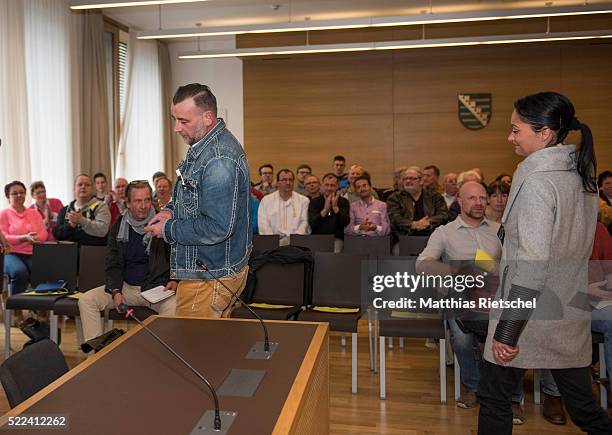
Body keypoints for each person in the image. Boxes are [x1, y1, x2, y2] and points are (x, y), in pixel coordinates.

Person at [477, 91, 612, 434]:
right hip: (567, 311)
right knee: (584, 408)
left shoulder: (538, 182)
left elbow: (532, 264)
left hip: (528, 315)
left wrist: (507, 331)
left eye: (515, 129)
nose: (510, 137)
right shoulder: (580, 176)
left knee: (494, 402)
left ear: (546, 132)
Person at [145, 83, 251, 318]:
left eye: (184, 121)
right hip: (210, 270)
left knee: (191, 350)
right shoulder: (203, 145)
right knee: (208, 349)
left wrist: (168, 229)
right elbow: (191, 198)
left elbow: (218, 227)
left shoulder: (218, 159)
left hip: (209, 276)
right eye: (175, 119)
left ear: (208, 118)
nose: (176, 128)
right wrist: (171, 211)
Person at [78, 181, 176, 343]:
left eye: (146, 200)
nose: (144, 206)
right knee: (87, 301)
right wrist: (116, 291)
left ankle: (164, 359)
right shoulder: (118, 226)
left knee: (174, 308)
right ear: (128, 203)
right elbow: (112, 262)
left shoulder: (164, 223)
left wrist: (174, 278)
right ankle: (96, 357)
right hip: (125, 288)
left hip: (156, 288)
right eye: (138, 201)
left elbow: (177, 254)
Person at [0, 181, 48, 295]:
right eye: (14, 193)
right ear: (8, 196)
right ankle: (17, 308)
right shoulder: (4, 213)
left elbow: (43, 234)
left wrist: (36, 238)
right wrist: (24, 238)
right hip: (11, 253)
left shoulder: (34, 213)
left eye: (22, 192)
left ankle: (39, 306)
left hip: (33, 253)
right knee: (20, 273)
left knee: (42, 272)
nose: (19, 195)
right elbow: (4, 237)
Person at [387, 166, 448, 236]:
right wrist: (413, 224)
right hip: (405, 237)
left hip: (432, 235)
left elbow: (443, 215)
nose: (408, 181)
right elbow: (395, 218)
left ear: (421, 181)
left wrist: (428, 222)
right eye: (405, 179)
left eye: (412, 178)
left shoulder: (435, 196)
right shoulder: (395, 198)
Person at [53, 174, 111, 246]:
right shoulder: (65, 210)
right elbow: (57, 235)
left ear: (92, 189)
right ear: (74, 189)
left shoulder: (101, 206)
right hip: (69, 253)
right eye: (80, 185)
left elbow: (102, 231)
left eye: (87, 185)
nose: (83, 187)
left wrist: (81, 221)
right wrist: (71, 225)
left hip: (93, 253)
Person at [258, 169, 310, 245]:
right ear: (278, 182)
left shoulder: (304, 201)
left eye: (290, 180)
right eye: (284, 180)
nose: (288, 183)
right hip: (272, 244)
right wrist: (273, 243)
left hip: (296, 244)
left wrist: (293, 241)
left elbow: (304, 223)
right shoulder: (266, 201)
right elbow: (264, 225)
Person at [308, 173, 350, 251]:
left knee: (335, 254)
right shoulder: (315, 202)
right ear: (322, 186)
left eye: (332, 185)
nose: (329, 188)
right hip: (317, 238)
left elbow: (345, 222)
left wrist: (335, 208)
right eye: (326, 185)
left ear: (337, 186)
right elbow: (312, 223)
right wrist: (325, 210)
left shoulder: (343, 202)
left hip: (336, 238)